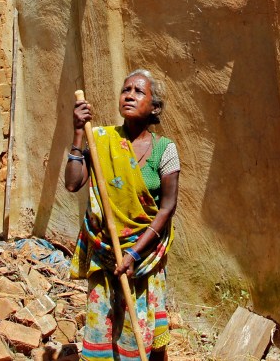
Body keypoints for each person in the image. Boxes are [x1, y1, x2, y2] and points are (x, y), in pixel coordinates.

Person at [65, 69, 181, 361]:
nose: (129, 94)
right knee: (105, 325)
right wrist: (79, 132)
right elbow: (72, 183)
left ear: (154, 106)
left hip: (144, 255)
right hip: (106, 251)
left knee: (144, 330)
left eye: (139, 91)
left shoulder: (164, 150)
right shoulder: (99, 139)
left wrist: (134, 256)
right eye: (125, 89)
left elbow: (167, 207)